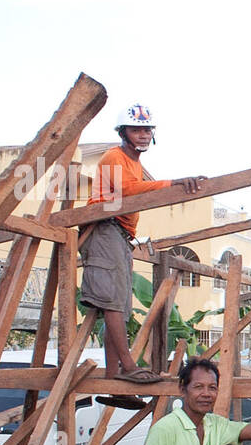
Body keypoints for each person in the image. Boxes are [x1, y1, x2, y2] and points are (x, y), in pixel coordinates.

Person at [81, 103, 206, 405]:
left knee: (120, 306)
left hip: (121, 234)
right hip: (104, 227)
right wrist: (172, 183)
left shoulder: (134, 163)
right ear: (123, 132)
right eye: (137, 129)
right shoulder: (114, 156)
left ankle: (115, 378)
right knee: (112, 301)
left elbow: (135, 186)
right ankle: (128, 365)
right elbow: (127, 189)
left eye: (147, 130)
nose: (143, 135)